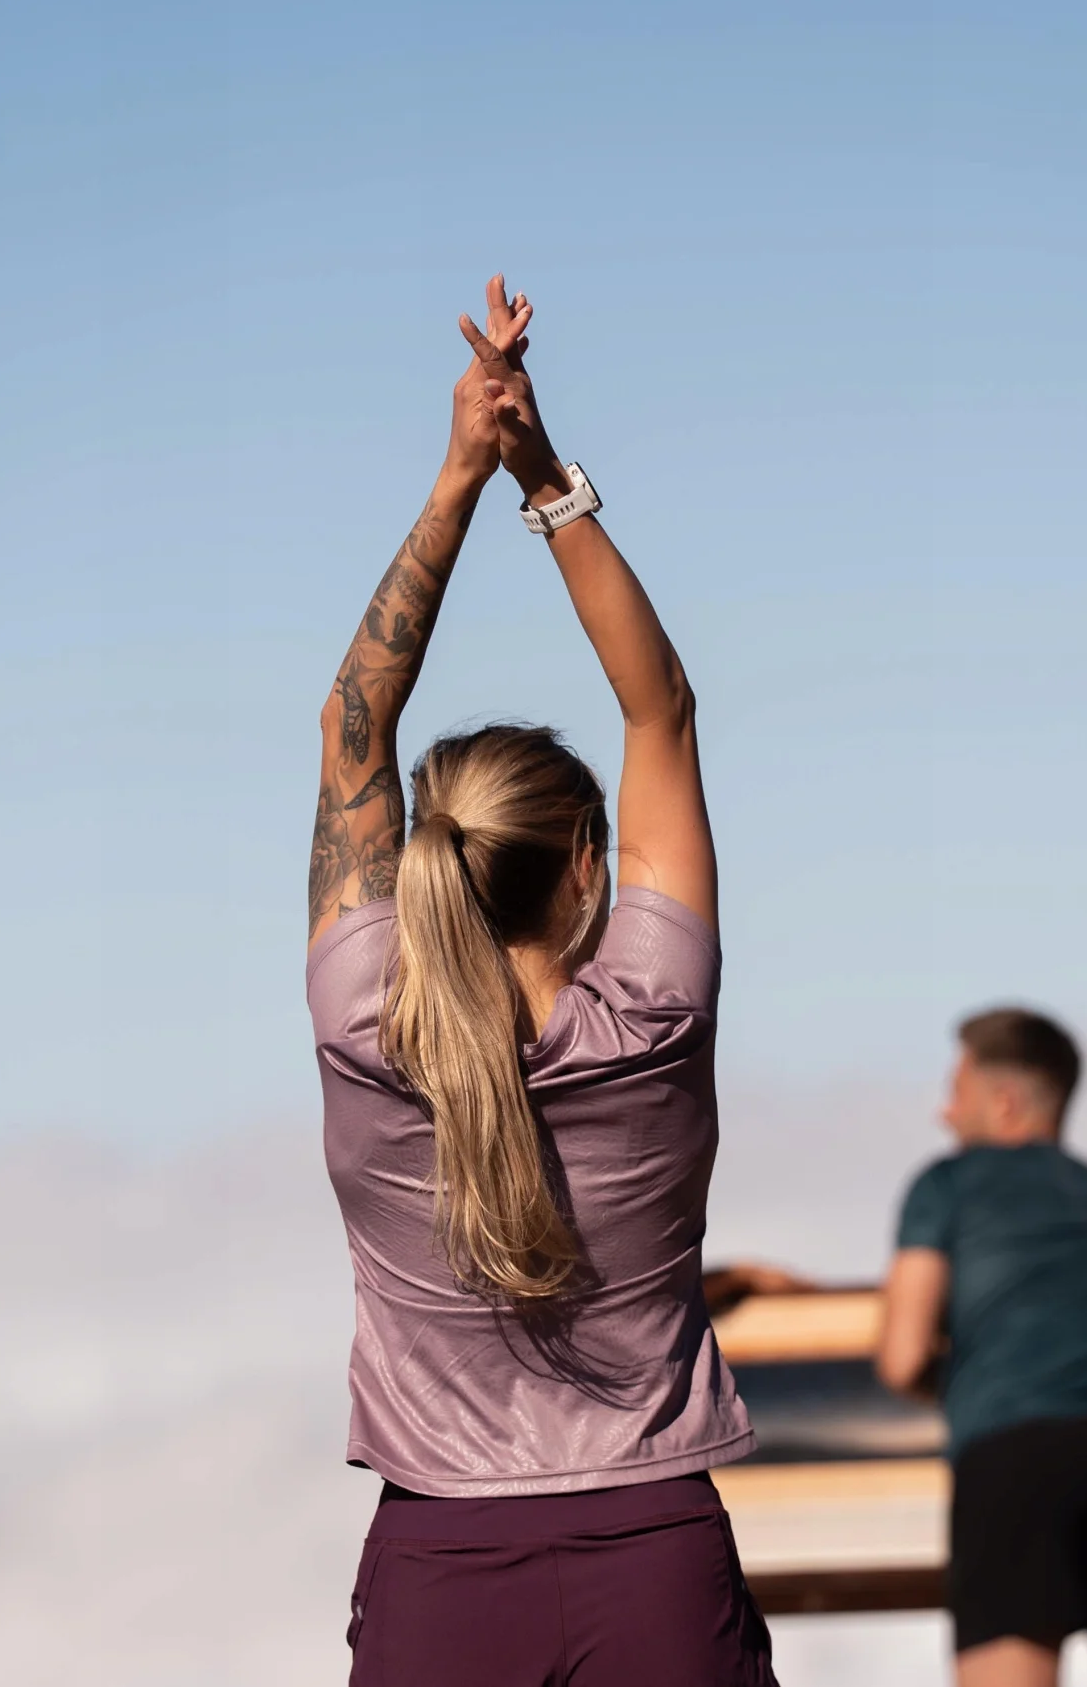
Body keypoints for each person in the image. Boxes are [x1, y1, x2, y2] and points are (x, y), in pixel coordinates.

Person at [305, 277, 779, 1687]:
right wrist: (540, 473)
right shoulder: (654, 1016)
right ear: (590, 863)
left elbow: (354, 728)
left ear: (427, 863)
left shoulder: (367, 1027)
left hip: (440, 1574)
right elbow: (660, 708)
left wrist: (456, 469)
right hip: (655, 1561)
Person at [876, 1008, 1087, 1687]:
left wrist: (965, 1385)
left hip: (1013, 1456)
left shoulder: (946, 1185)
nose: (943, 1113)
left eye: (956, 1092)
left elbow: (902, 1356)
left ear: (1004, 1101)